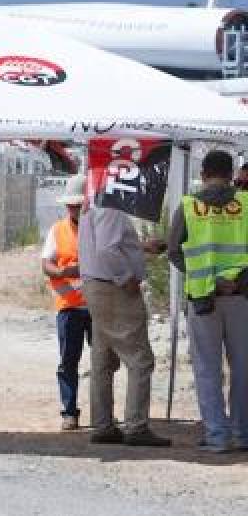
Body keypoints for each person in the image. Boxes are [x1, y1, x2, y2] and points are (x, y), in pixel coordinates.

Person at [167, 149, 248, 453]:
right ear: (231, 174)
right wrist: (236, 280)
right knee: (243, 368)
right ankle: (242, 434)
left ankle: (217, 436)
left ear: (203, 174)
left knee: (207, 368)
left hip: (203, 298)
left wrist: (205, 276)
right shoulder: (246, 203)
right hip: (242, 297)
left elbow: (174, 251)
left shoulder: (188, 207)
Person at [77, 198, 171, 446]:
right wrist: (125, 277)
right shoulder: (111, 206)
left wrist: (138, 247)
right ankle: (136, 427)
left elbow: (107, 244)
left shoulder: (94, 204)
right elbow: (107, 249)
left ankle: (103, 424)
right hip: (113, 288)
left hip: (97, 286)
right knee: (140, 359)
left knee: (103, 359)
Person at [40, 174, 90, 431]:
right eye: (71, 205)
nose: (74, 208)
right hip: (69, 306)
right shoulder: (57, 230)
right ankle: (69, 412)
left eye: (78, 204)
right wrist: (60, 273)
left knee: (105, 362)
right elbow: (46, 263)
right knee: (68, 361)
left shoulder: (98, 227)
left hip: (97, 306)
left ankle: (104, 412)